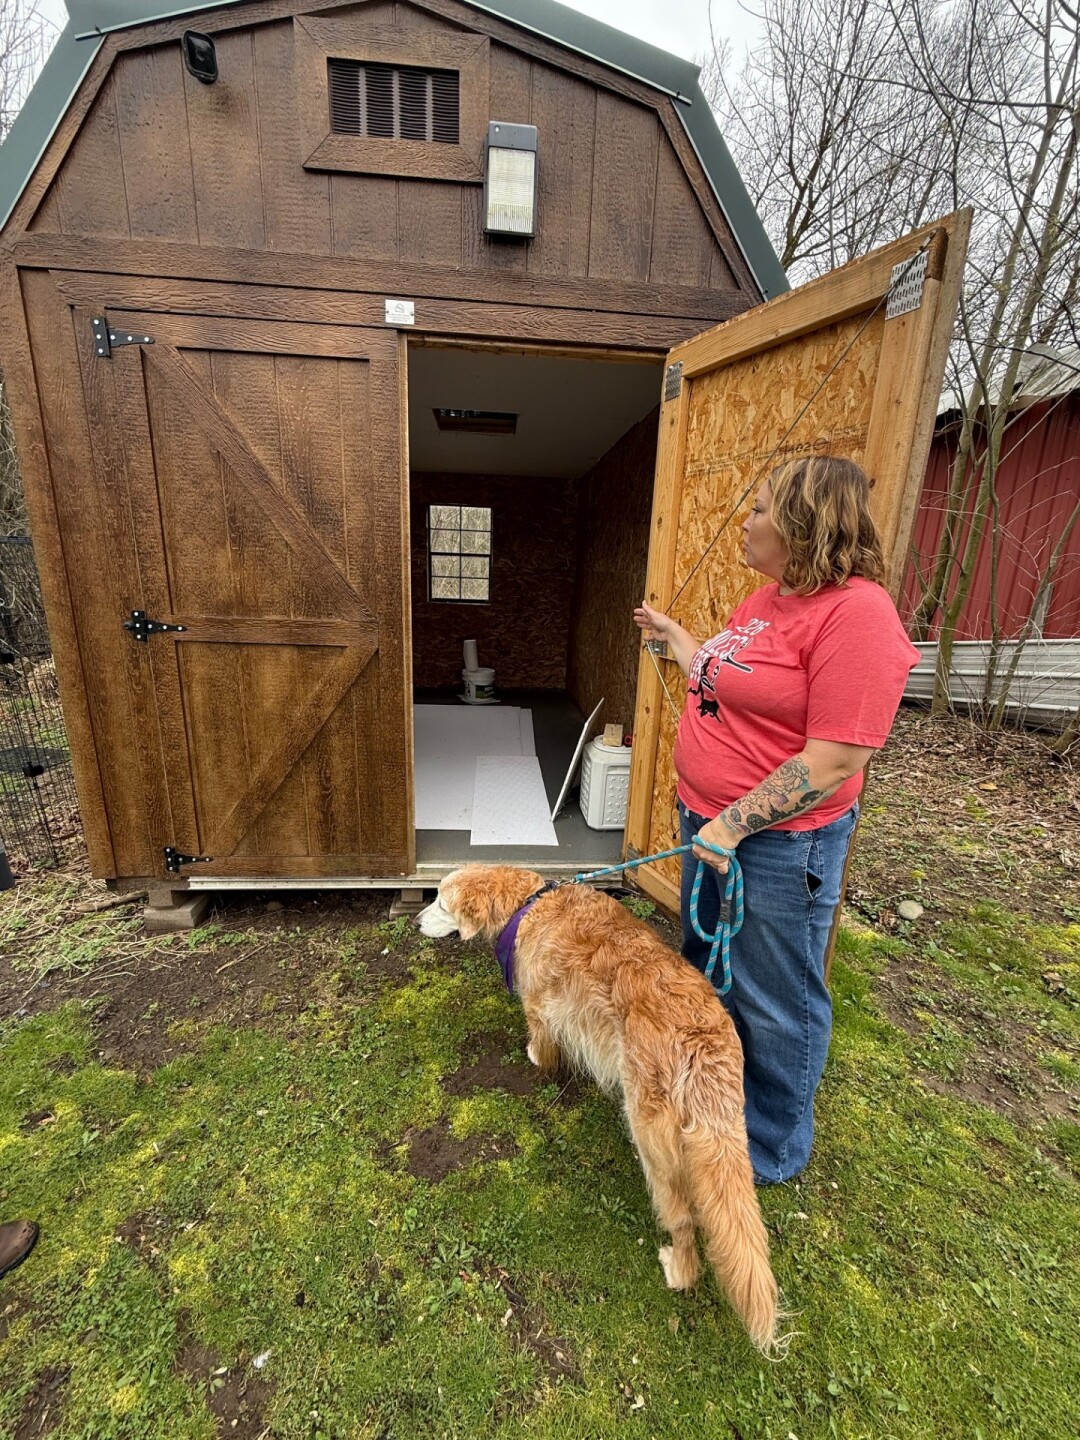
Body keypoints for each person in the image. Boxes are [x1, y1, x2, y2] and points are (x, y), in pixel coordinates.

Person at [634, 455, 918, 1186]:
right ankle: (708, 1107)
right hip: (710, 825)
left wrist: (729, 828)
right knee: (707, 977)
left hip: (775, 847)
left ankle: (768, 1150)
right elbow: (726, 682)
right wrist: (680, 640)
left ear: (802, 521)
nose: (747, 520)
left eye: (759, 509)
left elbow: (835, 759)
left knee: (776, 1000)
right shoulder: (765, 603)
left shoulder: (858, 617)